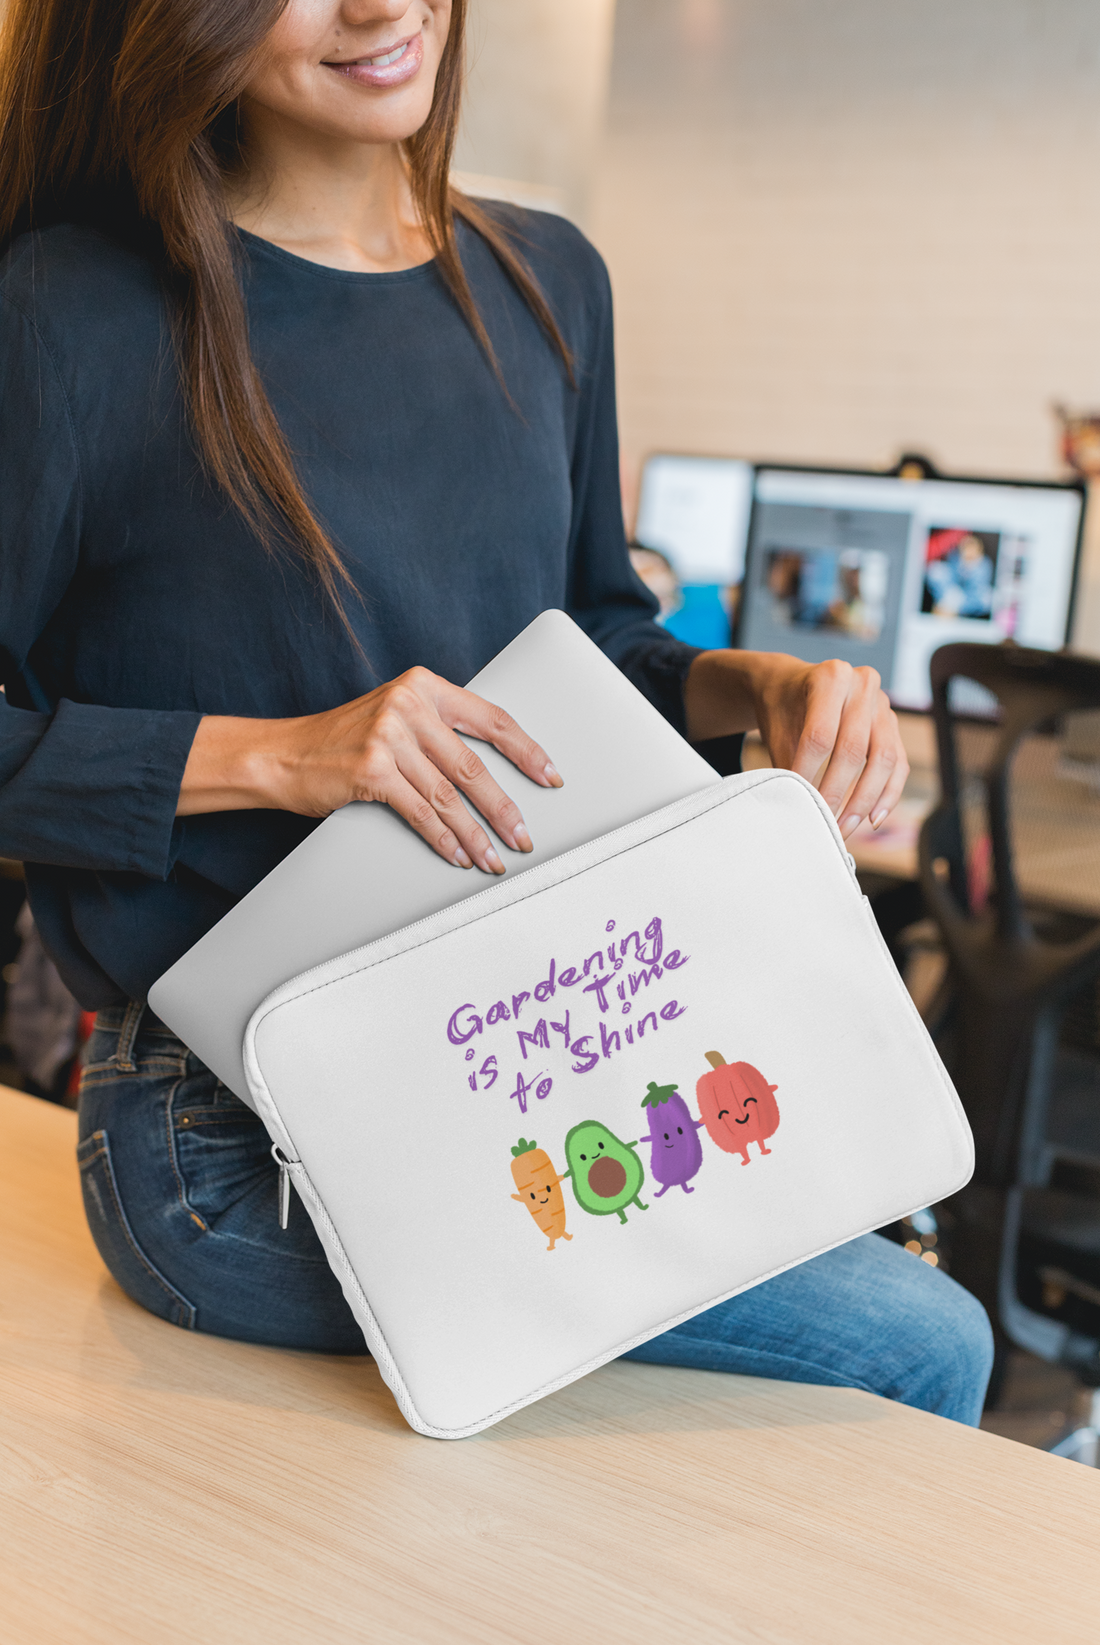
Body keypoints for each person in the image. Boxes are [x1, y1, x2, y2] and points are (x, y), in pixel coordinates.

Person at [0, 0, 991, 1422]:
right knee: (915, 1345)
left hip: (533, 1048)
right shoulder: (68, 314)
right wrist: (285, 758)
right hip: (229, 1137)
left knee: (890, 1203)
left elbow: (595, 640)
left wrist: (758, 686)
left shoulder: (548, 281)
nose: (379, 6)